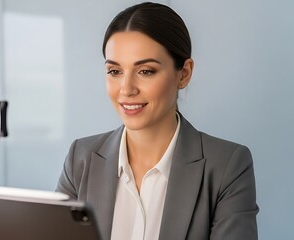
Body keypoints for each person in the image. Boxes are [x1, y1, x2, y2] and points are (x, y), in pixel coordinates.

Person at [56, 2, 258, 240]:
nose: (127, 89)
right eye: (115, 71)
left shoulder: (227, 166)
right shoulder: (80, 158)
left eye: (146, 71)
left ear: (184, 74)